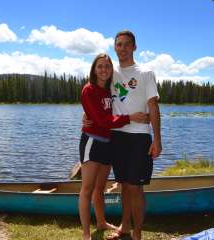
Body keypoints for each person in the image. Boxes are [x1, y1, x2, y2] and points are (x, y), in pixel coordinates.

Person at [79, 53, 149, 240]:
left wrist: (144, 112)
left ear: (111, 70)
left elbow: (126, 97)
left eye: (107, 67)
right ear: (94, 69)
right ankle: (86, 233)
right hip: (93, 141)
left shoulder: (111, 87)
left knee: (100, 187)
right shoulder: (89, 90)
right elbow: (102, 120)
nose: (104, 70)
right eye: (100, 66)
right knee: (87, 188)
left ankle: (101, 222)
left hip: (109, 143)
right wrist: (130, 118)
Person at [105, 30, 162, 240]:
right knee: (124, 185)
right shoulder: (111, 72)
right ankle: (125, 228)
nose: (122, 48)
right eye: (119, 45)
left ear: (134, 47)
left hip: (139, 137)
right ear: (115, 47)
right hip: (117, 136)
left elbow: (153, 106)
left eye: (127, 44)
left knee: (136, 187)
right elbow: (97, 96)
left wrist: (157, 139)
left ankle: (137, 233)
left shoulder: (145, 72)